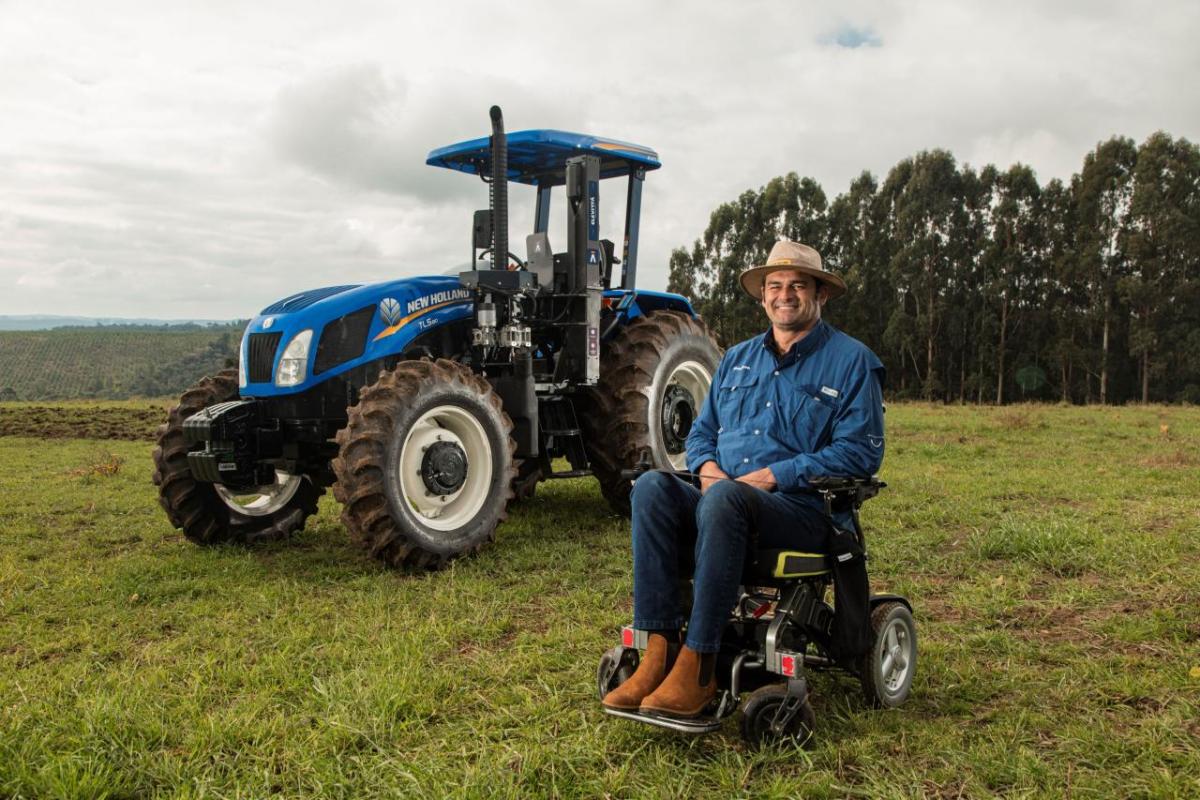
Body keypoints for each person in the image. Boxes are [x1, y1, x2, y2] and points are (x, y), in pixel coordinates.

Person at [601, 239, 886, 719]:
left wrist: (776, 475)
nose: (785, 294)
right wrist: (708, 467)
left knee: (726, 499)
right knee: (650, 487)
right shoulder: (737, 359)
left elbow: (859, 452)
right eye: (775, 286)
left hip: (802, 510)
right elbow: (703, 433)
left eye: (798, 285)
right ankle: (659, 651)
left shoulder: (852, 361)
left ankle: (701, 666)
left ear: (821, 295)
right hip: (724, 500)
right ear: (763, 296)